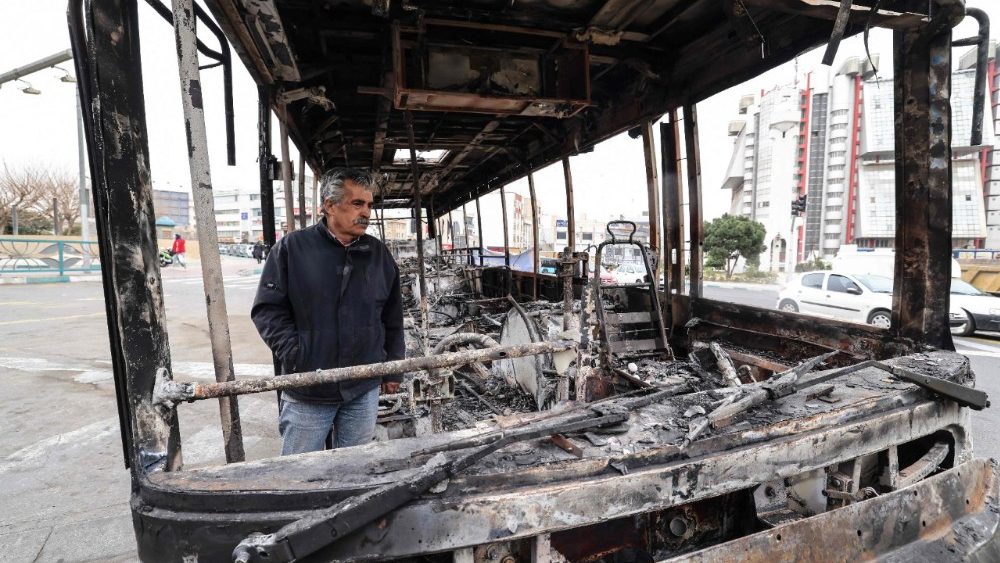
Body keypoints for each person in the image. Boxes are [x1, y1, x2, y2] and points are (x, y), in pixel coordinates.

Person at [251, 168, 404, 455]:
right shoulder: (292, 249)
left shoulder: (378, 254)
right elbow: (267, 310)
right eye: (357, 204)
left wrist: (393, 368)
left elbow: (392, 317)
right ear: (329, 206)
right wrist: (297, 353)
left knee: (353, 465)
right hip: (310, 386)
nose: (367, 213)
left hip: (363, 385)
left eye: (369, 205)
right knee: (300, 470)